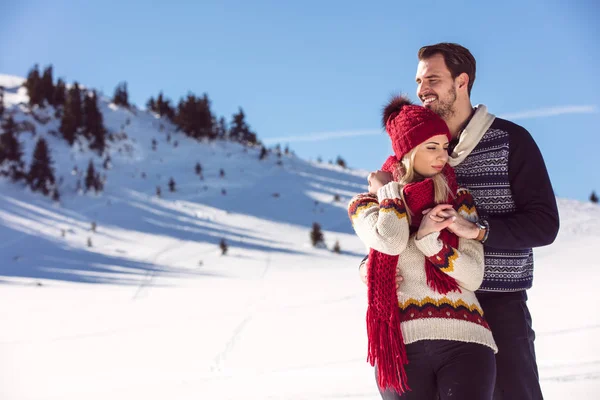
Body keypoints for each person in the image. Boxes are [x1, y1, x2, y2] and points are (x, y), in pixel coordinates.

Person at [358, 43, 559, 399]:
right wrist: (369, 266)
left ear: (462, 82)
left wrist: (478, 231)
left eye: (433, 79)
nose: (422, 90)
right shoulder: (410, 152)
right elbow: (390, 227)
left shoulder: (510, 141)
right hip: (428, 311)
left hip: (498, 302)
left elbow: (544, 224)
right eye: (419, 81)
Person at [348, 95, 497, 399]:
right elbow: (390, 240)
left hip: (465, 340)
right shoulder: (365, 205)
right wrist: (388, 193)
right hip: (400, 347)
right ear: (407, 151)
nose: (442, 156)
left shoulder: (458, 201)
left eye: (444, 146)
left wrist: (429, 240)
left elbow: (472, 276)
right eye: (431, 147)